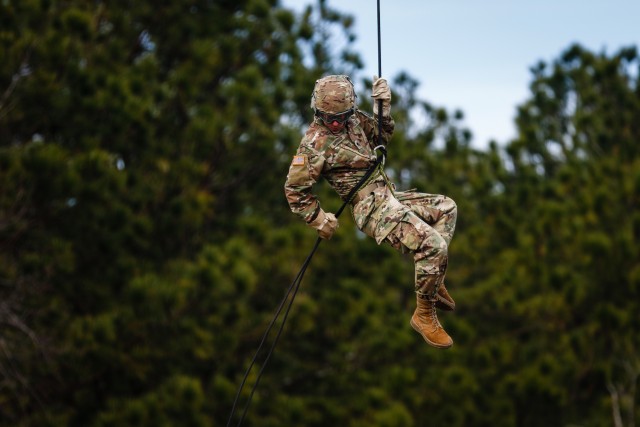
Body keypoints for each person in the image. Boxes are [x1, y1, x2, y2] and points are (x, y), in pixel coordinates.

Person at [284, 75, 458, 349]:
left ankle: (432, 279)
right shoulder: (313, 144)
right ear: (316, 111)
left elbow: (381, 136)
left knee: (446, 208)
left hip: (388, 195)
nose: (334, 123)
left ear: (350, 111)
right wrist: (318, 219)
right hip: (370, 208)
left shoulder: (354, 122)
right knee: (433, 246)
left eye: (340, 117)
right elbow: (295, 191)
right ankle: (424, 314)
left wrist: (382, 109)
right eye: (328, 118)